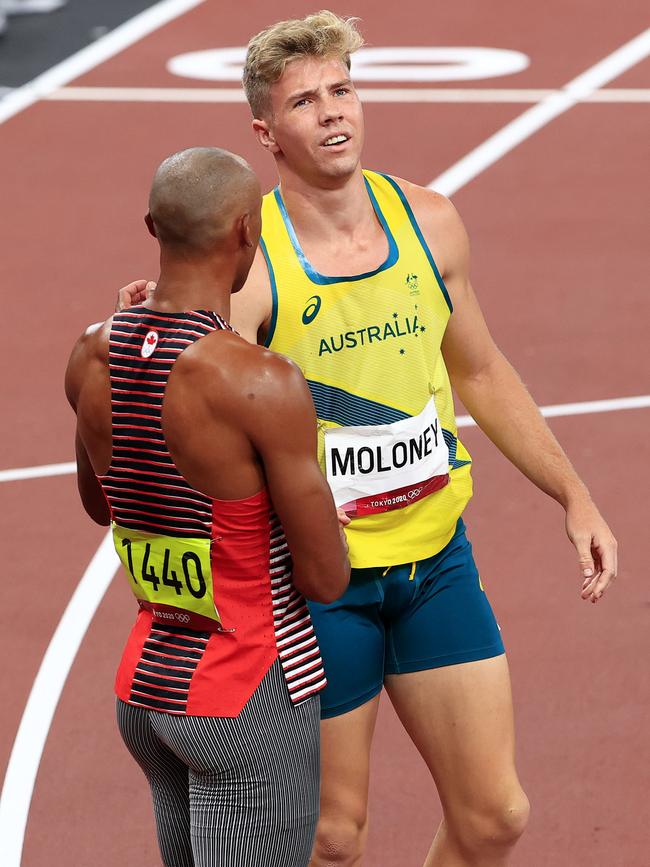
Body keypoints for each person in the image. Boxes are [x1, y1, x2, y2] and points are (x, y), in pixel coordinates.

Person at [118, 12, 618, 867]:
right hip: (318, 591)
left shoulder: (429, 220)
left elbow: (483, 371)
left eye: (342, 89)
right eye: (306, 101)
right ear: (265, 132)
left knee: (495, 815)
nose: (332, 112)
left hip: (434, 566)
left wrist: (574, 495)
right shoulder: (252, 263)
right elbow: (180, 406)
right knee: (333, 838)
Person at [66, 146, 350, 867]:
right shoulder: (258, 381)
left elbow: (101, 504)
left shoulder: (92, 352)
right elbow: (325, 578)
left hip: (149, 683)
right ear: (246, 234)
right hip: (247, 686)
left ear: (152, 227)